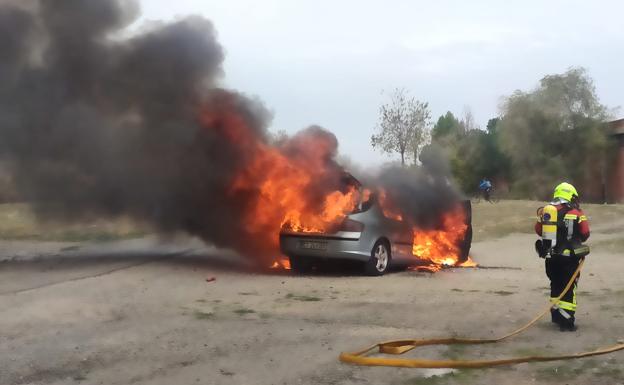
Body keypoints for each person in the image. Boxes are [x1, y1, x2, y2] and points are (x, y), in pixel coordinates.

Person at [535, 182, 590, 331]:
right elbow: (585, 233)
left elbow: (539, 231)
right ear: (570, 196)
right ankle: (567, 322)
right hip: (569, 259)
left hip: (550, 258)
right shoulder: (577, 213)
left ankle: (556, 316)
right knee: (569, 288)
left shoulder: (547, 211)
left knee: (555, 284)